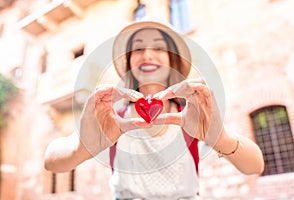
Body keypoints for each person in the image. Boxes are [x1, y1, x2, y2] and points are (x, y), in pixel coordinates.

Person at [44, 19, 264, 200]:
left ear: (171, 60)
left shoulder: (191, 114)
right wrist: (82, 147)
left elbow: (255, 165)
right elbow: (51, 161)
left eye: (159, 47)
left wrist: (220, 138)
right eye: (138, 48)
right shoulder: (112, 116)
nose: (147, 54)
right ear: (129, 62)